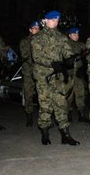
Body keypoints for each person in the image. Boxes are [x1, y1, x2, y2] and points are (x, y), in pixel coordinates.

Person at [30, 10, 79, 145]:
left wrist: (70, 59)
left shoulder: (61, 37)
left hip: (57, 76)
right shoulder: (37, 38)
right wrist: (52, 63)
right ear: (45, 21)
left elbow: (67, 51)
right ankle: (45, 133)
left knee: (61, 103)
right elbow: (37, 57)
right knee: (45, 104)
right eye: (52, 20)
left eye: (57, 20)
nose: (55, 22)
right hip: (43, 76)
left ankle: (65, 134)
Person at [18, 21, 40, 126]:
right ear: (30, 30)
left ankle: (44, 117)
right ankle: (29, 117)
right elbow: (25, 55)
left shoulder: (42, 41)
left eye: (38, 28)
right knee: (28, 95)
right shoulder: (24, 42)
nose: (37, 30)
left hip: (40, 72)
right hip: (28, 72)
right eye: (34, 28)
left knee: (42, 95)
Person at [66, 27, 89, 123]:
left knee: (80, 93)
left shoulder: (81, 45)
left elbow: (88, 54)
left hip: (78, 73)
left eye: (77, 34)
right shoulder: (66, 45)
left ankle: (81, 114)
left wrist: (83, 68)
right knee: (69, 95)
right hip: (69, 73)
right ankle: (68, 114)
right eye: (74, 34)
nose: (77, 36)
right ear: (70, 35)